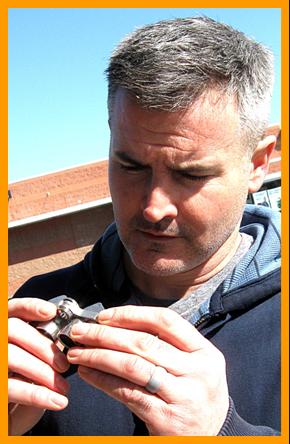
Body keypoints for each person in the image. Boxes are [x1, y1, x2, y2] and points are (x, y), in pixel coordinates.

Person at [8, 16, 281, 436]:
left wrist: (221, 431)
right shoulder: (34, 311)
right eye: (130, 166)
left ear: (258, 163)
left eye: (190, 175)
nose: (154, 207)